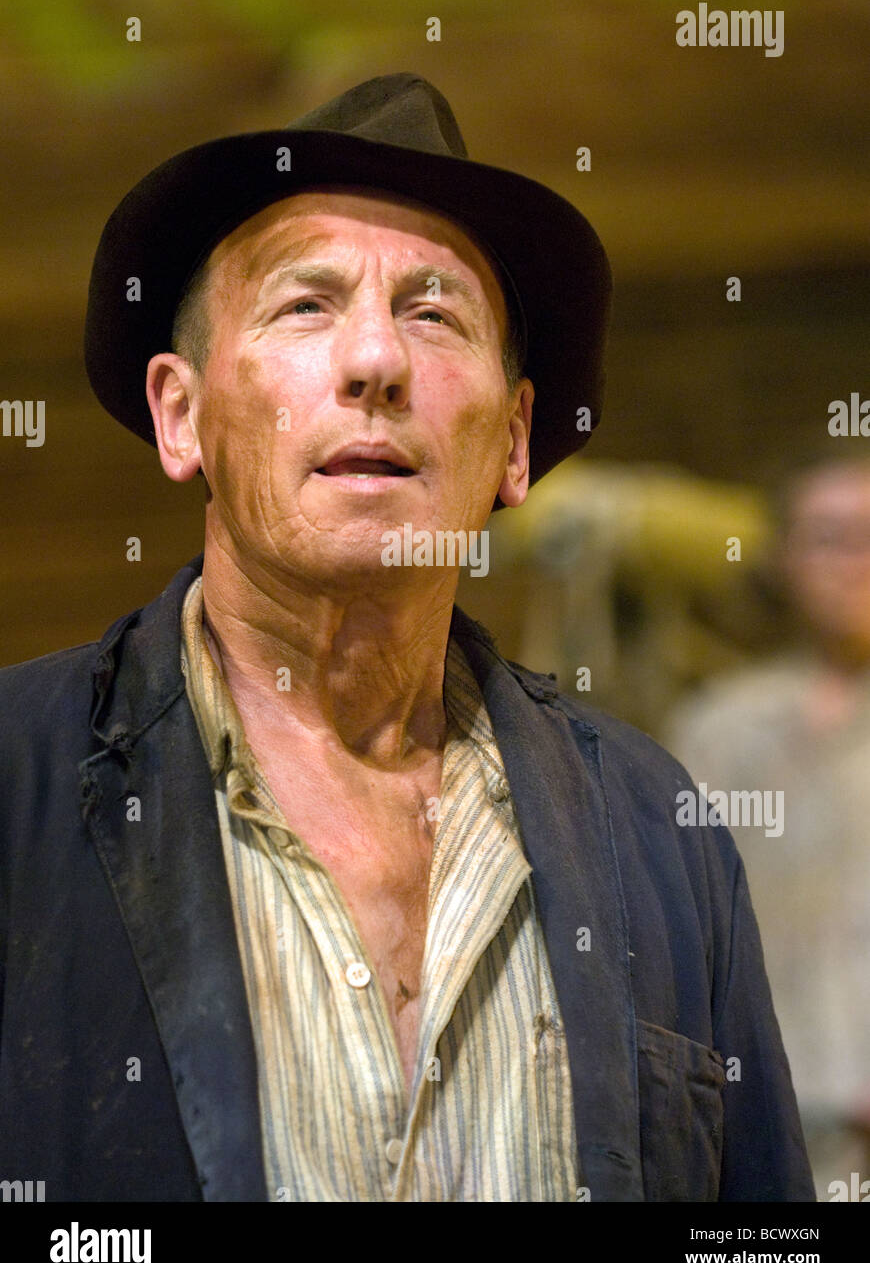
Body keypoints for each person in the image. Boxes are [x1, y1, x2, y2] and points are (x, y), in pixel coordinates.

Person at [0, 73, 813, 1202]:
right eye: (306, 305)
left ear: (516, 442)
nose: (376, 361)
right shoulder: (18, 786)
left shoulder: (654, 835)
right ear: (179, 412)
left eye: (434, 314)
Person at [667, 452, 870, 1198]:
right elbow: (684, 920)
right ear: (784, 556)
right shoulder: (722, 725)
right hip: (758, 1111)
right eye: (828, 537)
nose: (852, 563)